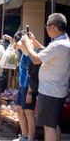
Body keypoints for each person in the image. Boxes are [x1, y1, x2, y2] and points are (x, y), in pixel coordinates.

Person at [21, 13, 70, 141]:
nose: (46, 28)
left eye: (47, 25)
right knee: (54, 124)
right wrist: (34, 42)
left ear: (53, 27)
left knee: (49, 127)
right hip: (57, 90)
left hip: (50, 91)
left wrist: (27, 44)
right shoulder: (64, 42)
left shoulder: (58, 45)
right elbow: (46, 50)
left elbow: (37, 59)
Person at [5, 31, 36, 141]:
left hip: (29, 87)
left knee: (29, 112)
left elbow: (34, 76)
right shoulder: (23, 53)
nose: (16, 43)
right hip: (22, 86)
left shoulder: (32, 55)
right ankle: (24, 135)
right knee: (19, 109)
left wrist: (30, 92)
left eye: (18, 41)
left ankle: (31, 138)